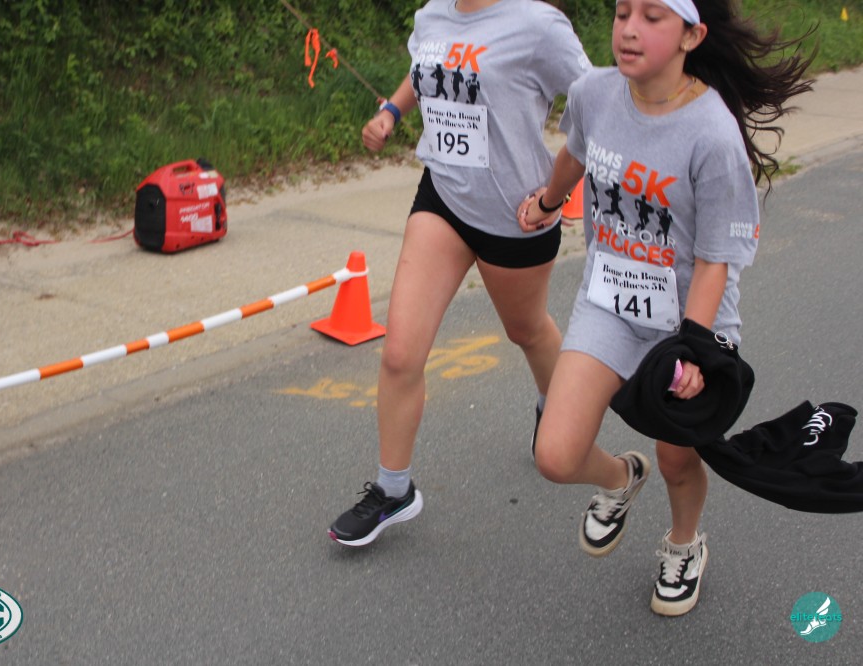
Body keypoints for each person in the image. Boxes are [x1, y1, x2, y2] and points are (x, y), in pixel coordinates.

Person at [517, 0, 814, 616]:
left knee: (677, 458)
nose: (628, 29)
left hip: (687, 320)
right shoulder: (594, 93)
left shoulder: (711, 133)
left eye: (652, 17)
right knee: (555, 454)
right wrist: (548, 200)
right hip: (607, 302)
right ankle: (620, 479)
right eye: (623, 11)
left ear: (691, 36)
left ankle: (684, 544)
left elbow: (714, 260)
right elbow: (576, 153)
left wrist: (697, 349)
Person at [327, 0, 590, 547]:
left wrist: (556, 195)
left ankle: (554, 408)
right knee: (400, 353)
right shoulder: (433, 15)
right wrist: (392, 112)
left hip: (517, 214)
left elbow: (598, 107)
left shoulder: (537, 25)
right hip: (443, 197)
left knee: (527, 329)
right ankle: (393, 489)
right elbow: (425, 68)